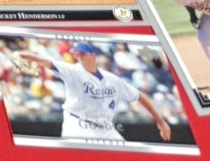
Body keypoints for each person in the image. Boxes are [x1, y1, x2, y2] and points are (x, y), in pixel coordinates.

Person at [10, 42, 173, 143]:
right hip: (77, 125)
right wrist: (18, 54)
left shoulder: (112, 79)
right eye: (76, 54)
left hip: (106, 130)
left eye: (82, 53)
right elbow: (43, 61)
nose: (78, 56)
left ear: (93, 55)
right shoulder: (71, 70)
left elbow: (139, 96)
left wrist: (160, 121)